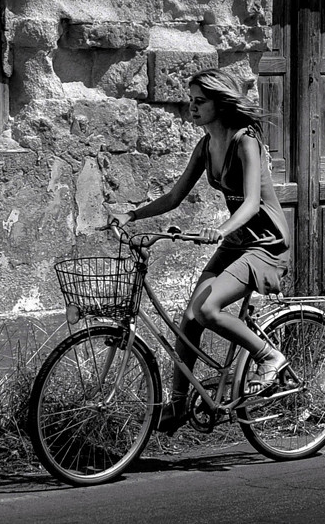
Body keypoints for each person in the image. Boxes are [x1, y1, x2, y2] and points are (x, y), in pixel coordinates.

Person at [111, 68, 291, 433]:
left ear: (220, 104)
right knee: (189, 320)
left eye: (199, 101)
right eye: (190, 100)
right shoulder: (206, 145)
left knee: (206, 308)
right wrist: (131, 214)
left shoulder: (246, 141)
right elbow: (175, 197)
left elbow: (253, 203)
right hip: (238, 242)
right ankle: (177, 407)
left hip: (266, 243)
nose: (191, 108)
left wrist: (219, 230)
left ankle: (268, 356)